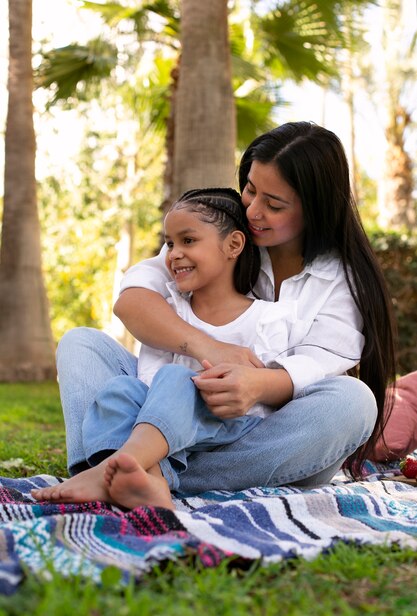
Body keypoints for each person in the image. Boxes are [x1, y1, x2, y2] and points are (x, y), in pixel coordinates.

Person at [34, 121, 396, 506]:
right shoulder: (217, 239)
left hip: (256, 439)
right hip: (161, 415)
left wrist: (255, 384)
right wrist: (212, 348)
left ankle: (126, 472)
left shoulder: (342, 280)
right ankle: (126, 469)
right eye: (251, 190)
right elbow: (133, 299)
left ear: (315, 208)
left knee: (354, 400)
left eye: (273, 204)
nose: (253, 211)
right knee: (82, 344)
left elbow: (315, 366)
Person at [32, 187, 297, 508]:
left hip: (227, 430)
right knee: (122, 390)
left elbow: (259, 400)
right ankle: (147, 479)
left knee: (176, 378)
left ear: (234, 244)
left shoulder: (268, 318)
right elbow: (148, 379)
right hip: (156, 427)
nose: (173, 253)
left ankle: (106, 471)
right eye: (170, 243)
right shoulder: (168, 309)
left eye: (188, 241)